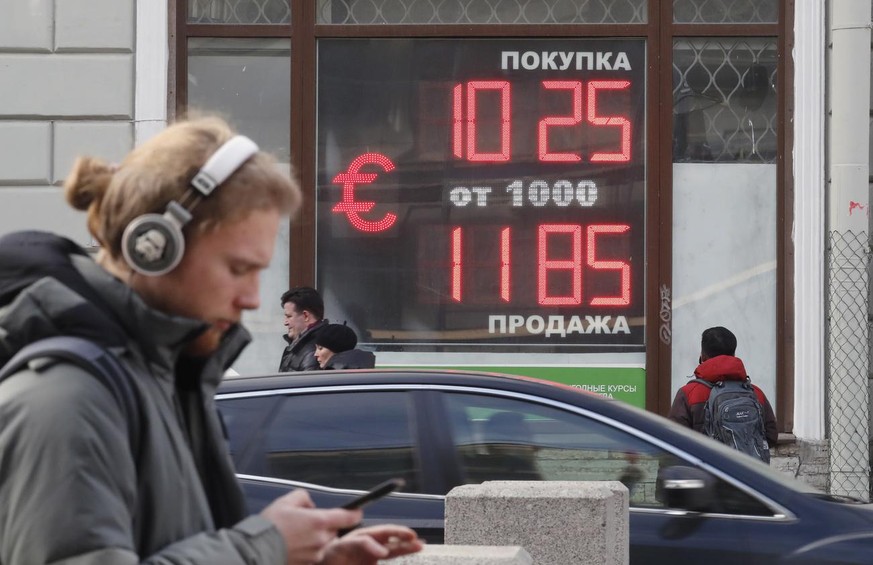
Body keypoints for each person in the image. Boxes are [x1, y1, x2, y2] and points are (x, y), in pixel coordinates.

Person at [0, 116, 422, 564]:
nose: (251, 298)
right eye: (237, 269)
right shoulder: (68, 400)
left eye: (259, 272)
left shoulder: (161, 382)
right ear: (155, 248)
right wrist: (264, 548)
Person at [668, 326, 778, 449]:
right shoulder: (755, 393)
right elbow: (771, 436)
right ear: (734, 355)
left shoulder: (689, 394)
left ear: (703, 356)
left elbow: (673, 442)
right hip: (744, 467)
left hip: (704, 467)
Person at [279, 286, 329, 372]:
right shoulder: (300, 345)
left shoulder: (312, 352)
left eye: (289, 316)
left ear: (306, 315)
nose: (285, 323)